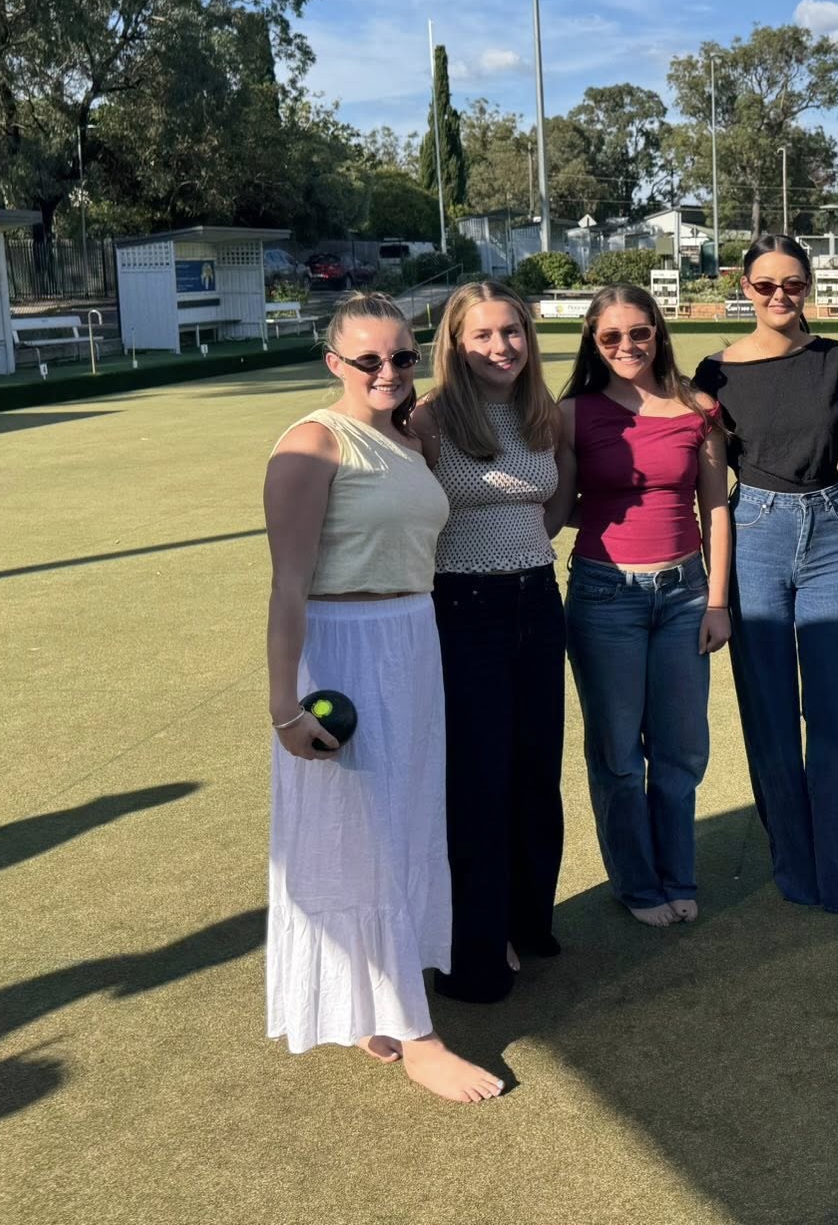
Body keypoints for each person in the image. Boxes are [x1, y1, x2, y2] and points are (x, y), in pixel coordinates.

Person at [262, 291, 503, 1102]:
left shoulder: (407, 438)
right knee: (361, 836)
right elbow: (287, 586)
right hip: (344, 650)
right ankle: (419, 1036)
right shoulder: (311, 443)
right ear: (334, 362)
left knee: (401, 830)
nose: (388, 370)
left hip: (412, 642)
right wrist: (285, 709)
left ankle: (378, 1003)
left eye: (401, 356)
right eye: (368, 359)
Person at [692, 235, 838, 913]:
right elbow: (710, 485)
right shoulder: (714, 373)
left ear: (808, 286)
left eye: (792, 283)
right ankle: (794, 859)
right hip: (755, 532)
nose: (779, 296)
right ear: (745, 287)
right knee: (769, 711)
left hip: (830, 529)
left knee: (837, 708)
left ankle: (832, 864)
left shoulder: (835, 359)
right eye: (765, 284)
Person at [408, 280, 567, 1003]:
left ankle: (528, 922)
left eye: (512, 331)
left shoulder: (541, 413)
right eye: (483, 334)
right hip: (464, 609)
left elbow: (553, 502)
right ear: (456, 343)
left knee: (535, 772)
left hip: (539, 600)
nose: (502, 346)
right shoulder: (430, 418)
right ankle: (474, 947)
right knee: (478, 780)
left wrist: (525, 549)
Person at [560, 286, 732, 926]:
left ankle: (677, 874)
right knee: (618, 756)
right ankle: (637, 885)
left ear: (658, 332)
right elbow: (559, 504)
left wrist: (717, 601)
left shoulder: (699, 409)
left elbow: (715, 508)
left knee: (681, 750)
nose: (627, 345)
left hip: (685, 594)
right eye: (611, 336)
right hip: (605, 596)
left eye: (639, 332)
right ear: (593, 341)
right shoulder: (572, 413)